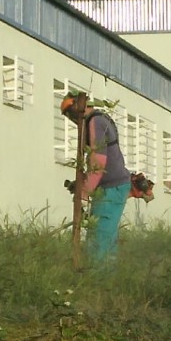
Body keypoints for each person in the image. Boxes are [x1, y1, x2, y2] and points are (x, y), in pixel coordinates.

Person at [60, 92, 131, 265]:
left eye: (70, 113)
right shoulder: (98, 119)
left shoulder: (95, 122)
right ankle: (107, 282)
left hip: (111, 188)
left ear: (78, 107)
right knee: (107, 238)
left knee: (99, 238)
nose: (72, 120)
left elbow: (98, 163)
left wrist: (84, 193)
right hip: (111, 187)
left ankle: (98, 280)